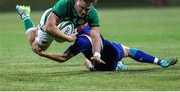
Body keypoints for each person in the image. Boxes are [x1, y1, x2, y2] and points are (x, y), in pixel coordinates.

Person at [16, 0, 104, 64]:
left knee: (84, 29)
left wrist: (97, 54)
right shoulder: (64, 4)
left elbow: (95, 35)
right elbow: (49, 27)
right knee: (36, 47)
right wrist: (67, 38)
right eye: (82, 7)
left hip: (71, 25)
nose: (84, 12)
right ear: (77, 0)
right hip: (50, 22)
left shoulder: (93, 13)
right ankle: (25, 15)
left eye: (87, 9)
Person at [33, 25, 177, 71]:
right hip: (108, 56)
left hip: (105, 57)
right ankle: (160, 62)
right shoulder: (86, 31)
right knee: (128, 50)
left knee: (88, 61)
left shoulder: (80, 40)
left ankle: (116, 65)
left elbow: (63, 58)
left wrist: (43, 54)